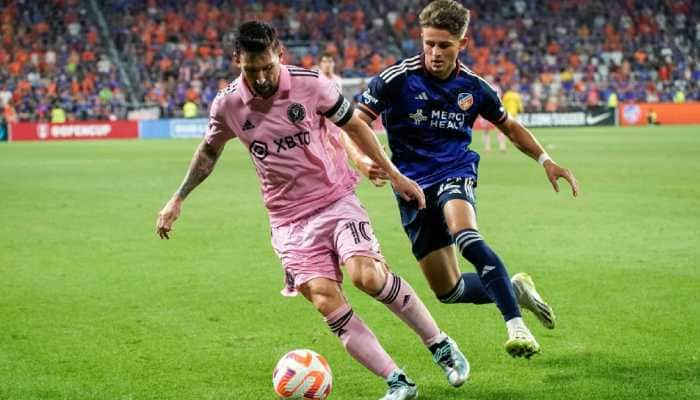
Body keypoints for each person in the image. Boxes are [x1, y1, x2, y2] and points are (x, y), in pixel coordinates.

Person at [156, 21, 468, 400]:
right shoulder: (227, 104)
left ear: (280, 55)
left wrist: (395, 175)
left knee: (367, 276)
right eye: (251, 70)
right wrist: (178, 197)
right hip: (287, 220)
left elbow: (355, 126)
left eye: (268, 67)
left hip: (336, 199)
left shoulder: (311, 84)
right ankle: (397, 381)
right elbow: (209, 151)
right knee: (325, 299)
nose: (262, 77)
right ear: (238, 61)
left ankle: (440, 345)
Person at [347, 0, 580, 359]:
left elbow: (510, 127)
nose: (435, 53)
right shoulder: (396, 79)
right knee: (448, 291)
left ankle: (516, 325)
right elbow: (353, 123)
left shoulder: (475, 87)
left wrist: (545, 159)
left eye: (444, 45)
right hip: (410, 186)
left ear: (463, 44)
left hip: (454, 170)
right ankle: (513, 288)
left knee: (465, 234)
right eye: (429, 43)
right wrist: (362, 161)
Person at [480, 76, 507, 153]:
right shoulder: (494, 87)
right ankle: (490, 147)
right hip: (488, 110)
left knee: (495, 130)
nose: (488, 80)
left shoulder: (484, 87)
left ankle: (500, 147)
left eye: (490, 79)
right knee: (488, 130)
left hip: (489, 110)